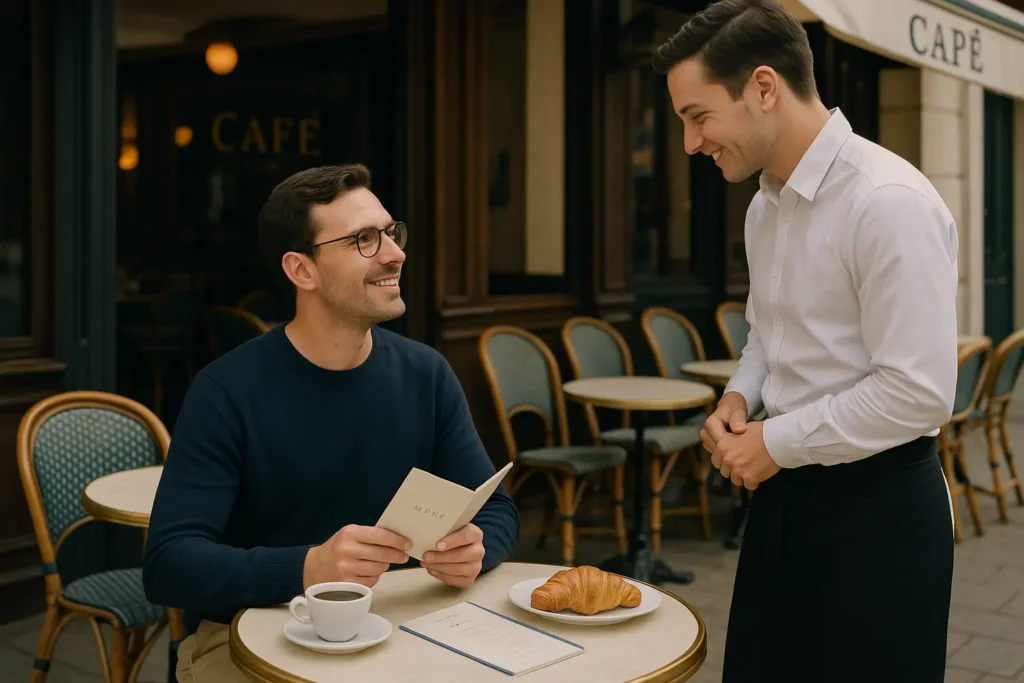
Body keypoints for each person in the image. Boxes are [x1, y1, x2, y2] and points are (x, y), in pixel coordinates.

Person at [652, 1, 957, 681]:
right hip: (782, 502)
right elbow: (769, 329)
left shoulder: (889, 201)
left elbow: (919, 391)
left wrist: (773, 442)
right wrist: (741, 393)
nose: (690, 144)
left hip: (882, 515)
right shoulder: (763, 206)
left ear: (764, 88)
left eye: (697, 116)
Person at [143, 163, 520, 682]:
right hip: (255, 639)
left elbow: (497, 509)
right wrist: (306, 568)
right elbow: (169, 565)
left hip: (401, 628)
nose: (395, 253)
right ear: (302, 271)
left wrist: (475, 547)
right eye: (364, 239)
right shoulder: (226, 391)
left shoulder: (425, 373)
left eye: (391, 233)